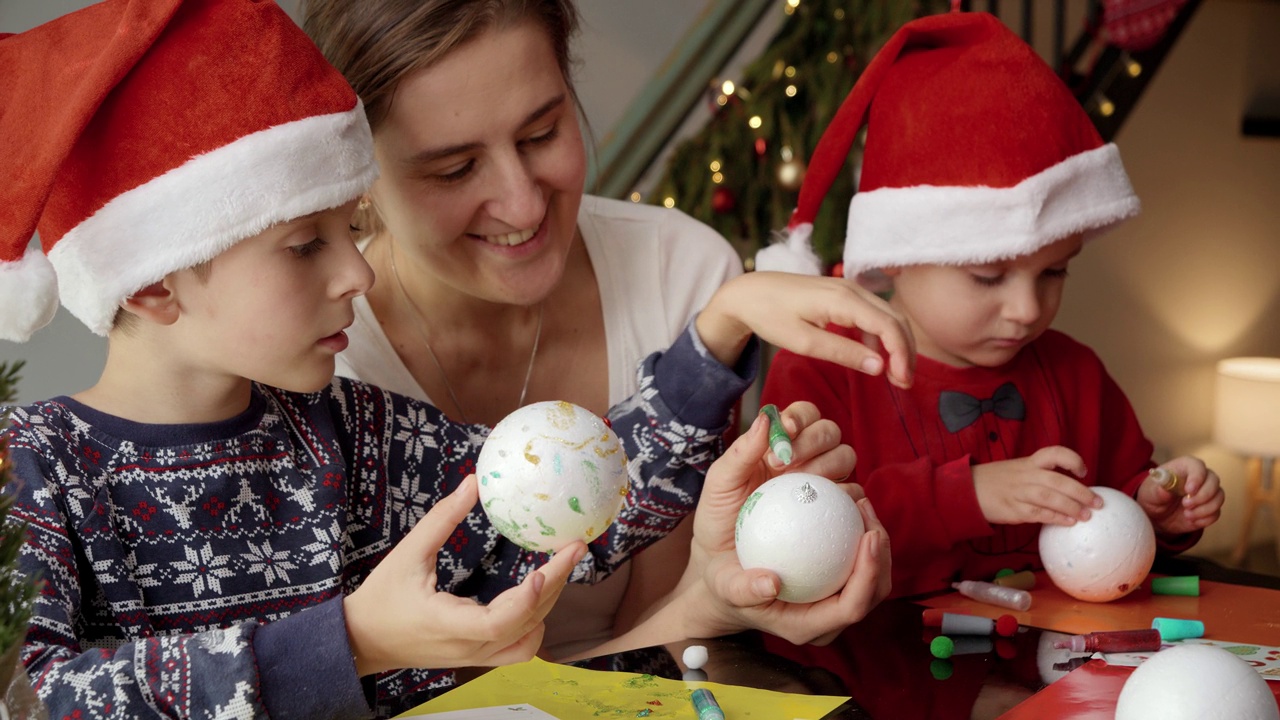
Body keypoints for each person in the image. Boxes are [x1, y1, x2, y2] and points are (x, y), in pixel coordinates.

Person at [0, 1, 889, 717]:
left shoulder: (349, 429)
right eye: (307, 245)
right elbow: (36, 701)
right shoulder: (31, 466)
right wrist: (353, 640)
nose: (357, 270)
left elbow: (559, 504)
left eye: (350, 230)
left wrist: (713, 342)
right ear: (153, 285)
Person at [300, 0, 915, 659]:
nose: (523, 203)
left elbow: (648, 657)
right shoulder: (313, 362)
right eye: (454, 170)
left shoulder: (682, 274)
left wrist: (721, 595)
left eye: (541, 134)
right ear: (356, 177)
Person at [758, 10, 1225, 600]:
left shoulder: (1075, 374)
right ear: (899, 255)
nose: (1028, 309)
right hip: (874, 669)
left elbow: (1115, 492)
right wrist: (968, 494)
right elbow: (796, 531)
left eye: (1055, 271)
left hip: (1047, 662)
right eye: (987, 277)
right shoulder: (824, 367)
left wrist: (1152, 509)